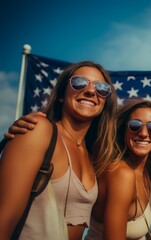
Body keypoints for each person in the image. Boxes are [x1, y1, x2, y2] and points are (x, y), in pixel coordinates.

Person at [0, 61, 118, 240]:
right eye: (79, 82)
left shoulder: (93, 154)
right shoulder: (39, 130)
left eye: (101, 88)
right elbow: (3, 220)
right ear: (62, 94)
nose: (91, 91)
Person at [85, 99, 151, 240]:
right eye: (135, 125)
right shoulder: (122, 174)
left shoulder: (148, 171)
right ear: (124, 130)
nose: (144, 133)